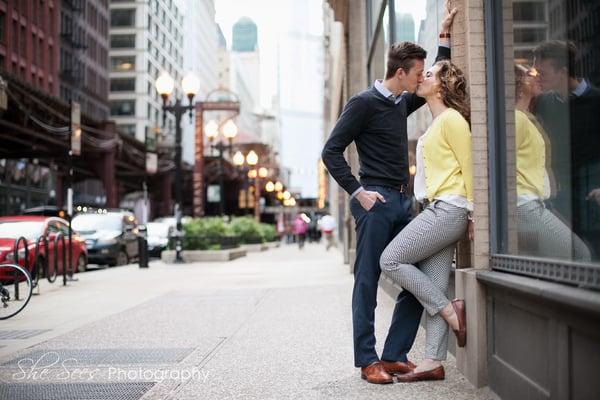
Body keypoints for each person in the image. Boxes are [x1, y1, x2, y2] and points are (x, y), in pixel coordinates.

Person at [321, 0, 457, 384]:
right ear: (401, 73)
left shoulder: (401, 102)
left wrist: (444, 36)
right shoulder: (363, 103)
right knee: (367, 279)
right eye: (418, 73)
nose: (422, 78)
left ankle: (395, 354)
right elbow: (330, 151)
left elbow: (437, 79)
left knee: (415, 276)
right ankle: (368, 360)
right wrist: (358, 192)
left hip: (404, 202)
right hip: (375, 201)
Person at [379, 60, 472, 382]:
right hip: (437, 208)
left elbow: (470, 167)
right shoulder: (436, 123)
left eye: (428, 74)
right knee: (432, 285)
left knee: (390, 259)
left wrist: (473, 215)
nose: (422, 77)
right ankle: (433, 360)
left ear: (442, 86)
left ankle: (449, 310)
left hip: (448, 209)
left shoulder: (452, 120)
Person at [513, 64, 591, 261]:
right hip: (525, 204)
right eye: (530, 74)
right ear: (520, 85)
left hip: (537, 203)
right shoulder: (516, 119)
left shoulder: (527, 117)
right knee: (580, 255)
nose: (537, 76)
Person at [532, 40, 600, 259]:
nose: (538, 77)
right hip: (559, 197)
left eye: (542, 72)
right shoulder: (543, 102)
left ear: (563, 72)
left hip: (592, 193)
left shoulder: (596, 100)